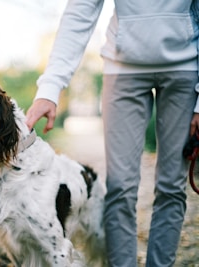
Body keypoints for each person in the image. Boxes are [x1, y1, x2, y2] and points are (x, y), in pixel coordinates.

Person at [25, 1, 199, 266]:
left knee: (172, 188)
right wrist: (50, 88)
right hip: (122, 69)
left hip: (185, 69)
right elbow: (81, 10)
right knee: (121, 188)